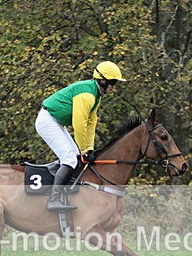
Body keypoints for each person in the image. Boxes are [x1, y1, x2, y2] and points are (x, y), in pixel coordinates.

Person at [35, 61, 126, 211]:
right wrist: (84, 149)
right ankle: (54, 199)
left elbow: (91, 123)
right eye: (113, 82)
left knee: (75, 157)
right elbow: (79, 124)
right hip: (47, 120)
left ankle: (62, 188)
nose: (114, 87)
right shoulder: (87, 96)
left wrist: (88, 148)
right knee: (70, 159)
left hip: (55, 121)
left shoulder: (96, 95)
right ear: (102, 80)